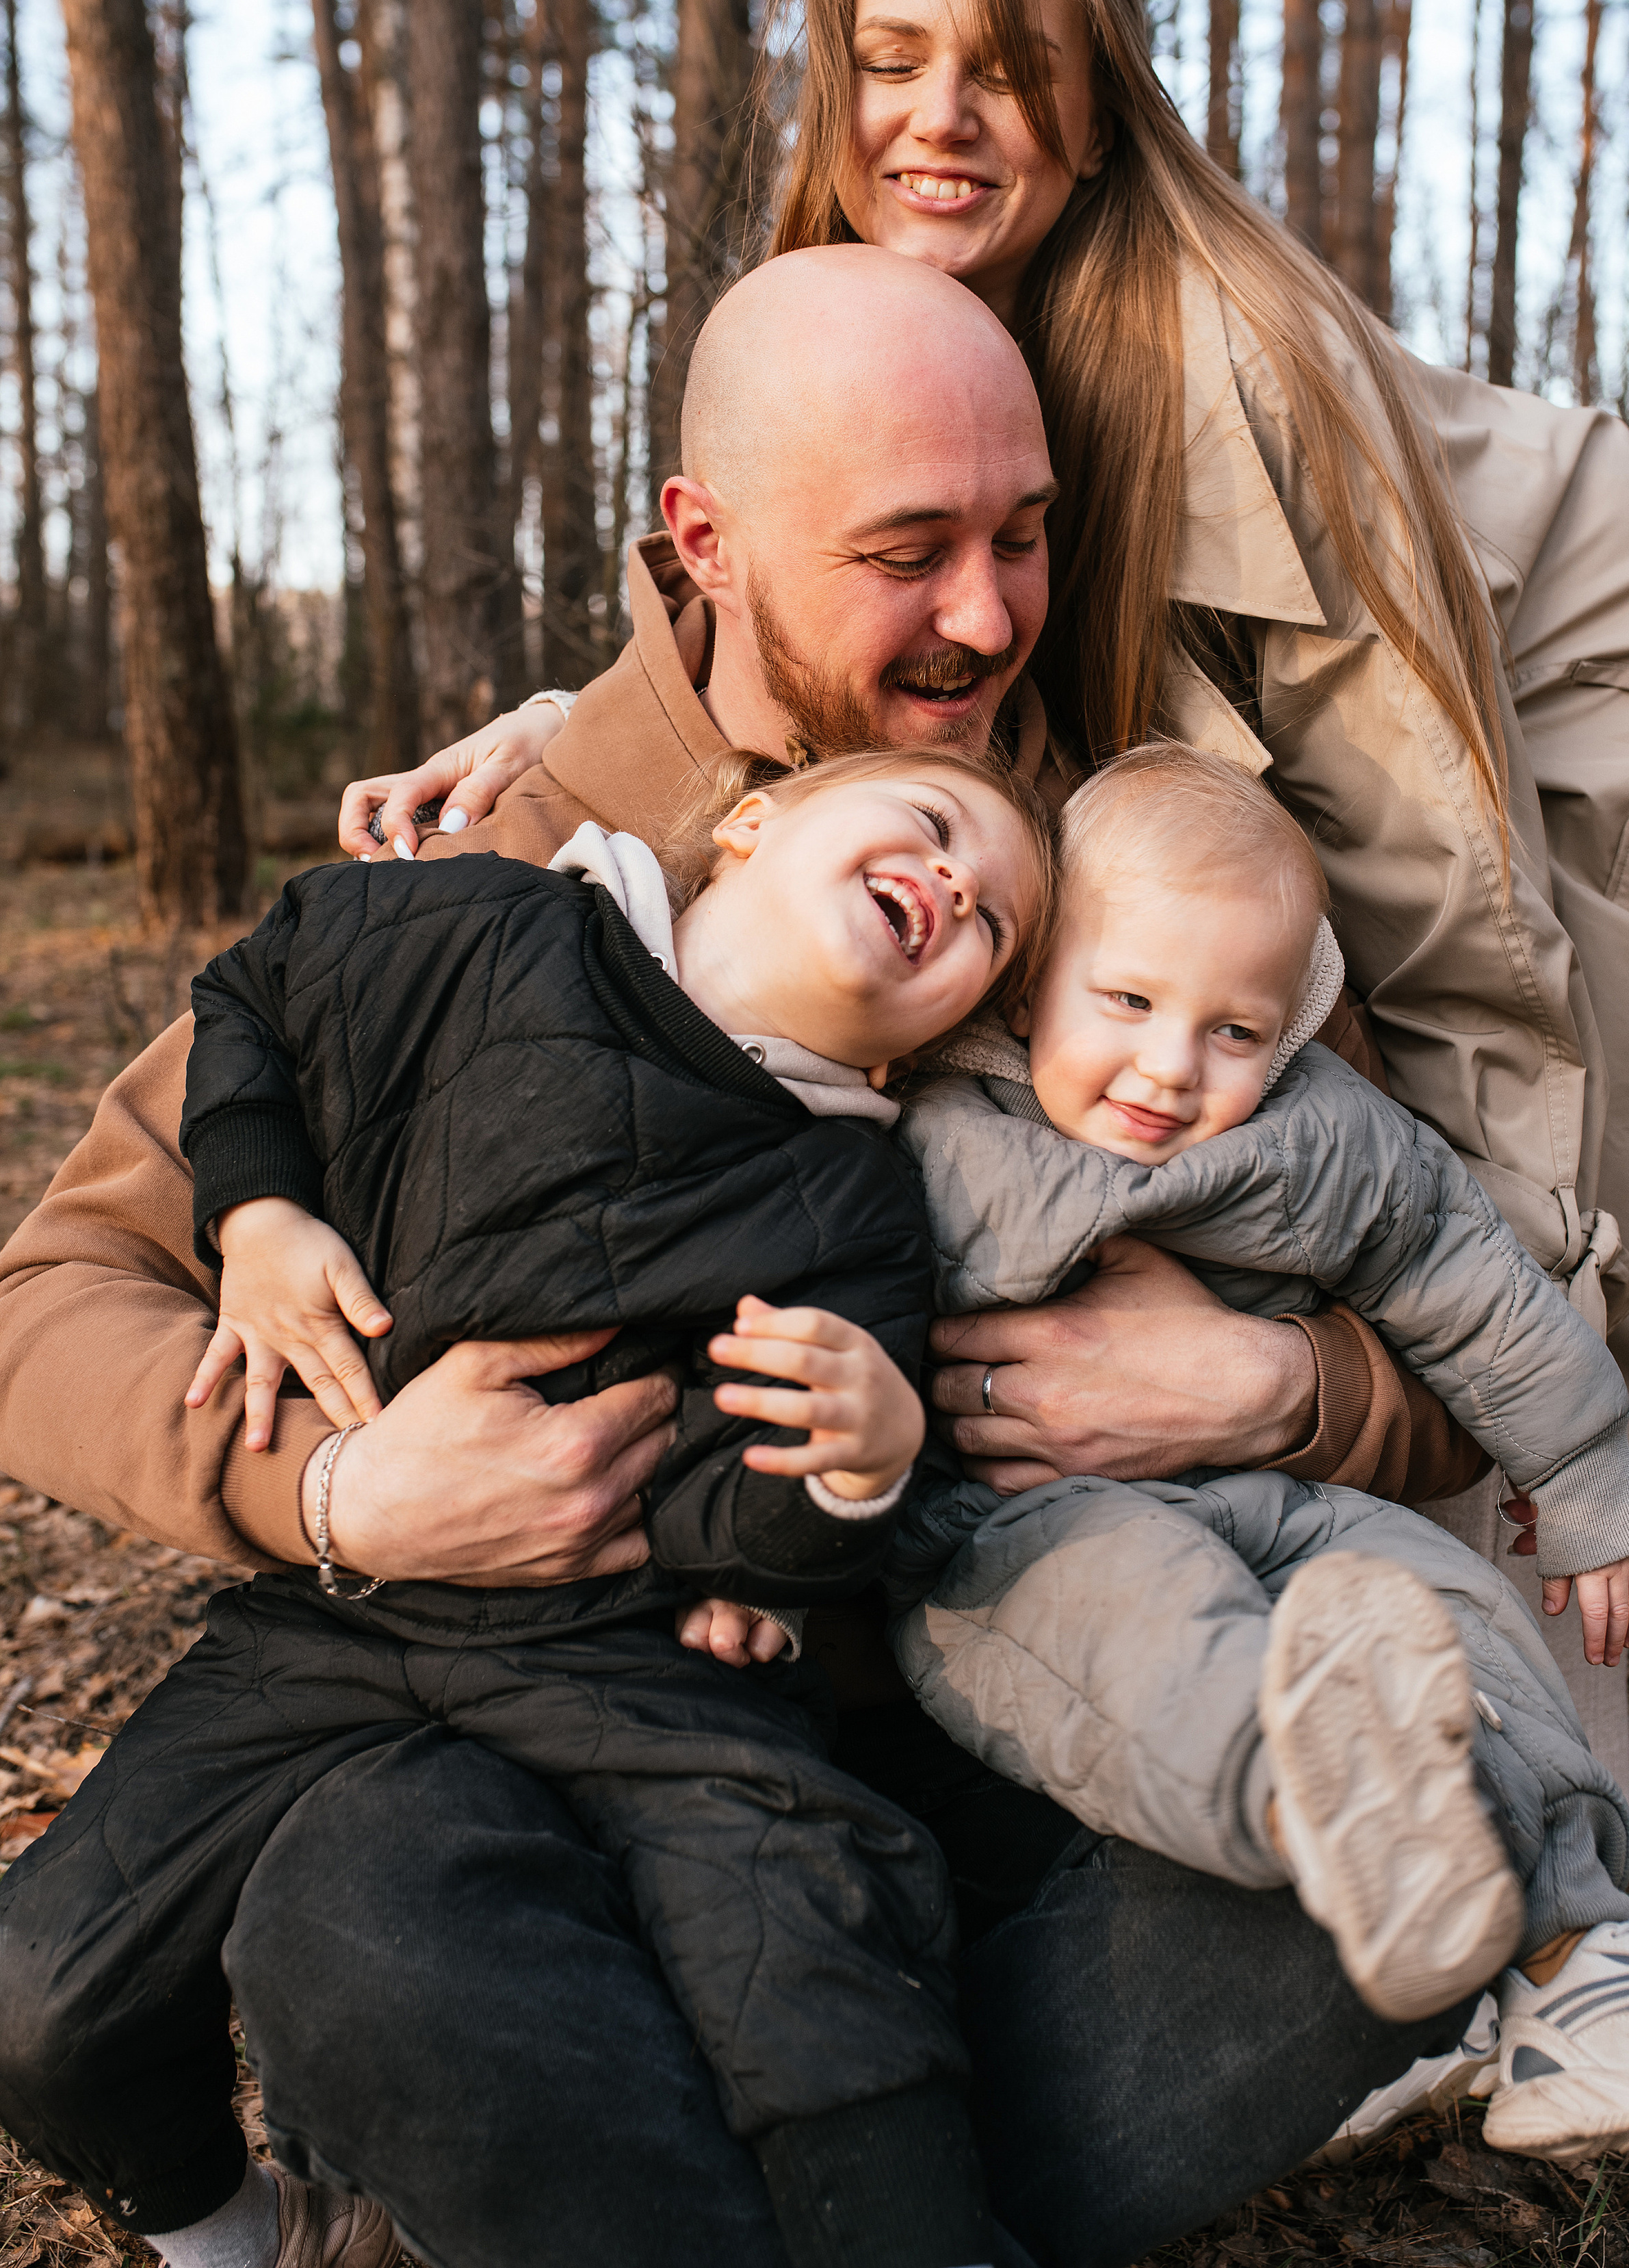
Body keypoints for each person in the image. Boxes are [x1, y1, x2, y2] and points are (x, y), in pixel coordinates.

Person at [0, 246, 1499, 2268]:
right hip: (552, 1715)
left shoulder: (1138, 837)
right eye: (910, 549)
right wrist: (355, 1489)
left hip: (1025, 1713)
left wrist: (1295, 1387)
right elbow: (54, 1292)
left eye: (1028, 537)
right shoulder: (510, 854)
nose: (987, 615)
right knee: (370, 1900)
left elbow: (1454, 1275)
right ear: (706, 542)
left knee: (1378, 1840)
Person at [376, 0, 1629, 1768]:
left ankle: (1556, 1805)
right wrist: (573, 719)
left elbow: (1467, 945)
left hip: (1620, 669)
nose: (941, 118)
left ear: (1101, 110)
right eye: (891, 58)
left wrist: (1360, 1389)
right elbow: (787, 591)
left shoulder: (1235, 379)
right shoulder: (879, 301)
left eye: (1010, 68)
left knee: (1530, 1135)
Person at [0, 747, 1052, 2268]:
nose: (955, 884)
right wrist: (259, 1209)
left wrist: (855, 1465)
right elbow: (260, 983)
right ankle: (244, 2239)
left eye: (995, 924)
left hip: (626, 1660)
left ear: (940, 1031)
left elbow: (753, 1535)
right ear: (751, 824)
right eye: (936, 827)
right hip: (340, 1609)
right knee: (44, 1983)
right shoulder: (482, 925)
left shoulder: (856, 1207)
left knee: (816, 1949)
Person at [878, 742, 1629, 2164]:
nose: (1170, 1067)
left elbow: (1470, 1284)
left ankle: (1576, 1982)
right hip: (1017, 1540)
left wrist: (1583, 1484)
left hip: (1281, 1498)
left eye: (1234, 1029)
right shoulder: (922, 1127)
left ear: (1291, 1028)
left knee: (1450, 1613)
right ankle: (1330, 1812)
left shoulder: (1317, 1140)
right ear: (1029, 977)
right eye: (1127, 1002)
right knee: (1142, 1633)